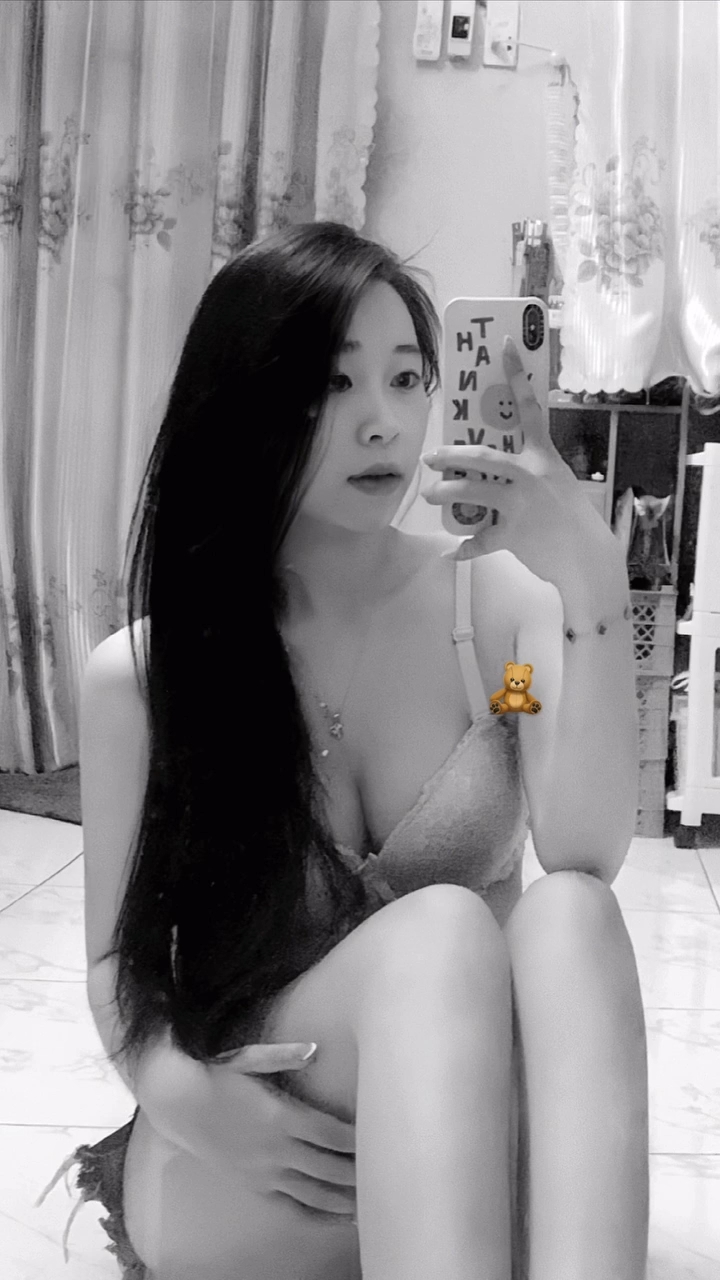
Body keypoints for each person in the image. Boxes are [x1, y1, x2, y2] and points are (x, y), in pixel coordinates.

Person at [39, 221, 649, 1280]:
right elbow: (112, 967)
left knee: (572, 913)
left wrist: (591, 580)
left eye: (407, 379)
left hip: (470, 1151)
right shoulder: (145, 675)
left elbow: (586, 851)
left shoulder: (495, 608)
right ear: (242, 398)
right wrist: (196, 1101)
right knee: (441, 929)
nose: (383, 421)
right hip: (273, 1153)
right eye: (332, 382)